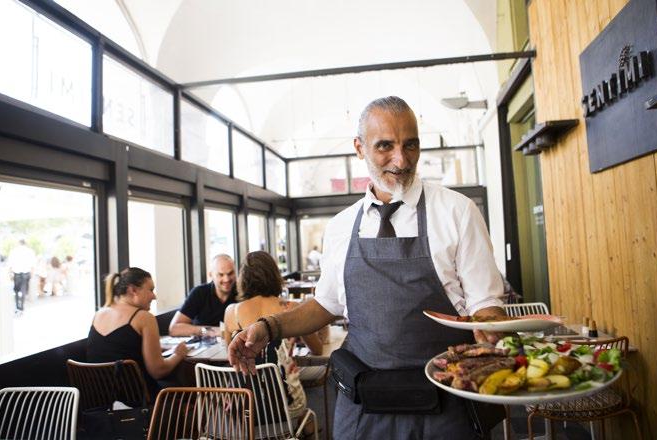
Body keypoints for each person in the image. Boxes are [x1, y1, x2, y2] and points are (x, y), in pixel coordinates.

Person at [229, 96, 506, 439]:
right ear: (359, 148)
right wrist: (267, 327)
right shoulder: (341, 227)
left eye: (411, 145)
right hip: (365, 409)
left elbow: (485, 305)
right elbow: (325, 305)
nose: (401, 159)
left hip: (445, 404)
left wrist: (491, 327)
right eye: (385, 146)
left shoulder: (457, 212)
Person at [223, 251, 320, 433]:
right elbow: (317, 349)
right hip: (284, 405)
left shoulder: (231, 312)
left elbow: (229, 356)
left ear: (243, 279)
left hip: (244, 406)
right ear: (275, 276)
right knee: (306, 416)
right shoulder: (290, 308)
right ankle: (301, 431)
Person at [87, 267, 187, 396]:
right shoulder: (144, 318)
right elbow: (158, 371)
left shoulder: (99, 314)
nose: (154, 296)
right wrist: (178, 354)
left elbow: (118, 348)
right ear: (133, 290)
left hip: (99, 398)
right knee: (183, 390)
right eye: (150, 290)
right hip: (136, 400)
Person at [169, 254, 238, 337]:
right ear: (211, 275)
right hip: (205, 345)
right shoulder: (199, 293)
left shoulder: (243, 292)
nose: (226, 279)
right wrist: (210, 331)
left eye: (230, 273)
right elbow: (174, 329)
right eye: (221, 274)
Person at [7, 239, 35, 315]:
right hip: (26, 273)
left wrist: (10, 273)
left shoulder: (14, 251)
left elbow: (10, 264)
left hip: (17, 273)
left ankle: (17, 307)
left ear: (18, 243)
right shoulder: (30, 251)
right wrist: (32, 274)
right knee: (23, 291)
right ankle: (21, 307)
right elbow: (33, 264)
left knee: (16, 291)